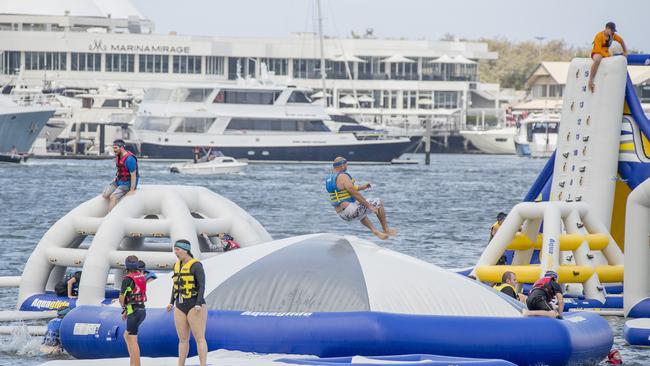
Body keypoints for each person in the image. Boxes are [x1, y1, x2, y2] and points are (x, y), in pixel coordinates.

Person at [325, 157, 397, 240]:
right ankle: (386, 229)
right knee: (378, 202)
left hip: (342, 214)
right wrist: (369, 206)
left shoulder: (330, 178)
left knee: (360, 209)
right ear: (342, 165)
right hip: (350, 211)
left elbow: (347, 189)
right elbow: (354, 192)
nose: (347, 166)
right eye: (346, 165)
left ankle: (375, 231)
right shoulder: (343, 176)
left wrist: (363, 187)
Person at [166, 240, 208, 366]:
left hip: (195, 304)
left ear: (185, 250)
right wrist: (171, 302)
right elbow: (176, 285)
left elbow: (202, 286)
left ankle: (203, 364)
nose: (175, 252)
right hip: (180, 305)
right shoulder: (177, 265)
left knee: (199, 338)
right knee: (183, 339)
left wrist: (199, 303)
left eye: (178, 249)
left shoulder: (196, 265)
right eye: (175, 249)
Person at [119, 255, 147, 366]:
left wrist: (124, 308)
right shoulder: (142, 276)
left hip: (134, 312)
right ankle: (132, 363)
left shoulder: (127, 279)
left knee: (133, 340)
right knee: (126, 335)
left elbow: (121, 298)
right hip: (141, 310)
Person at [588, 22, 628, 93]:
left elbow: (621, 41)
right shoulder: (599, 36)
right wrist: (608, 57)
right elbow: (598, 51)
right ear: (607, 28)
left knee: (613, 61)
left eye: (613, 31)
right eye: (611, 30)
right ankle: (591, 80)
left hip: (606, 53)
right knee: (598, 59)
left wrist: (625, 51)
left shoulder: (613, 35)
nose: (612, 32)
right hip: (597, 53)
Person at [102, 139, 139, 211]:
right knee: (105, 195)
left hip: (128, 183)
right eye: (113, 147)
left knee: (113, 197)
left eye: (115, 148)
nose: (114, 150)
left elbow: (133, 175)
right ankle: (116, 206)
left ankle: (110, 216)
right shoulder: (118, 157)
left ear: (121, 148)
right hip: (119, 181)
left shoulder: (129, 159)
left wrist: (131, 190)